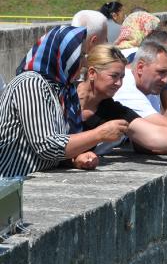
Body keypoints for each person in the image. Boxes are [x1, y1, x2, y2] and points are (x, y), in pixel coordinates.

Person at [0, 26, 129, 177]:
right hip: (8, 183)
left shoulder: (62, 89)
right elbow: (47, 145)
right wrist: (99, 134)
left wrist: (74, 159)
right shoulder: (31, 83)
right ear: (62, 55)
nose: (83, 63)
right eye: (80, 56)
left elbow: (58, 144)